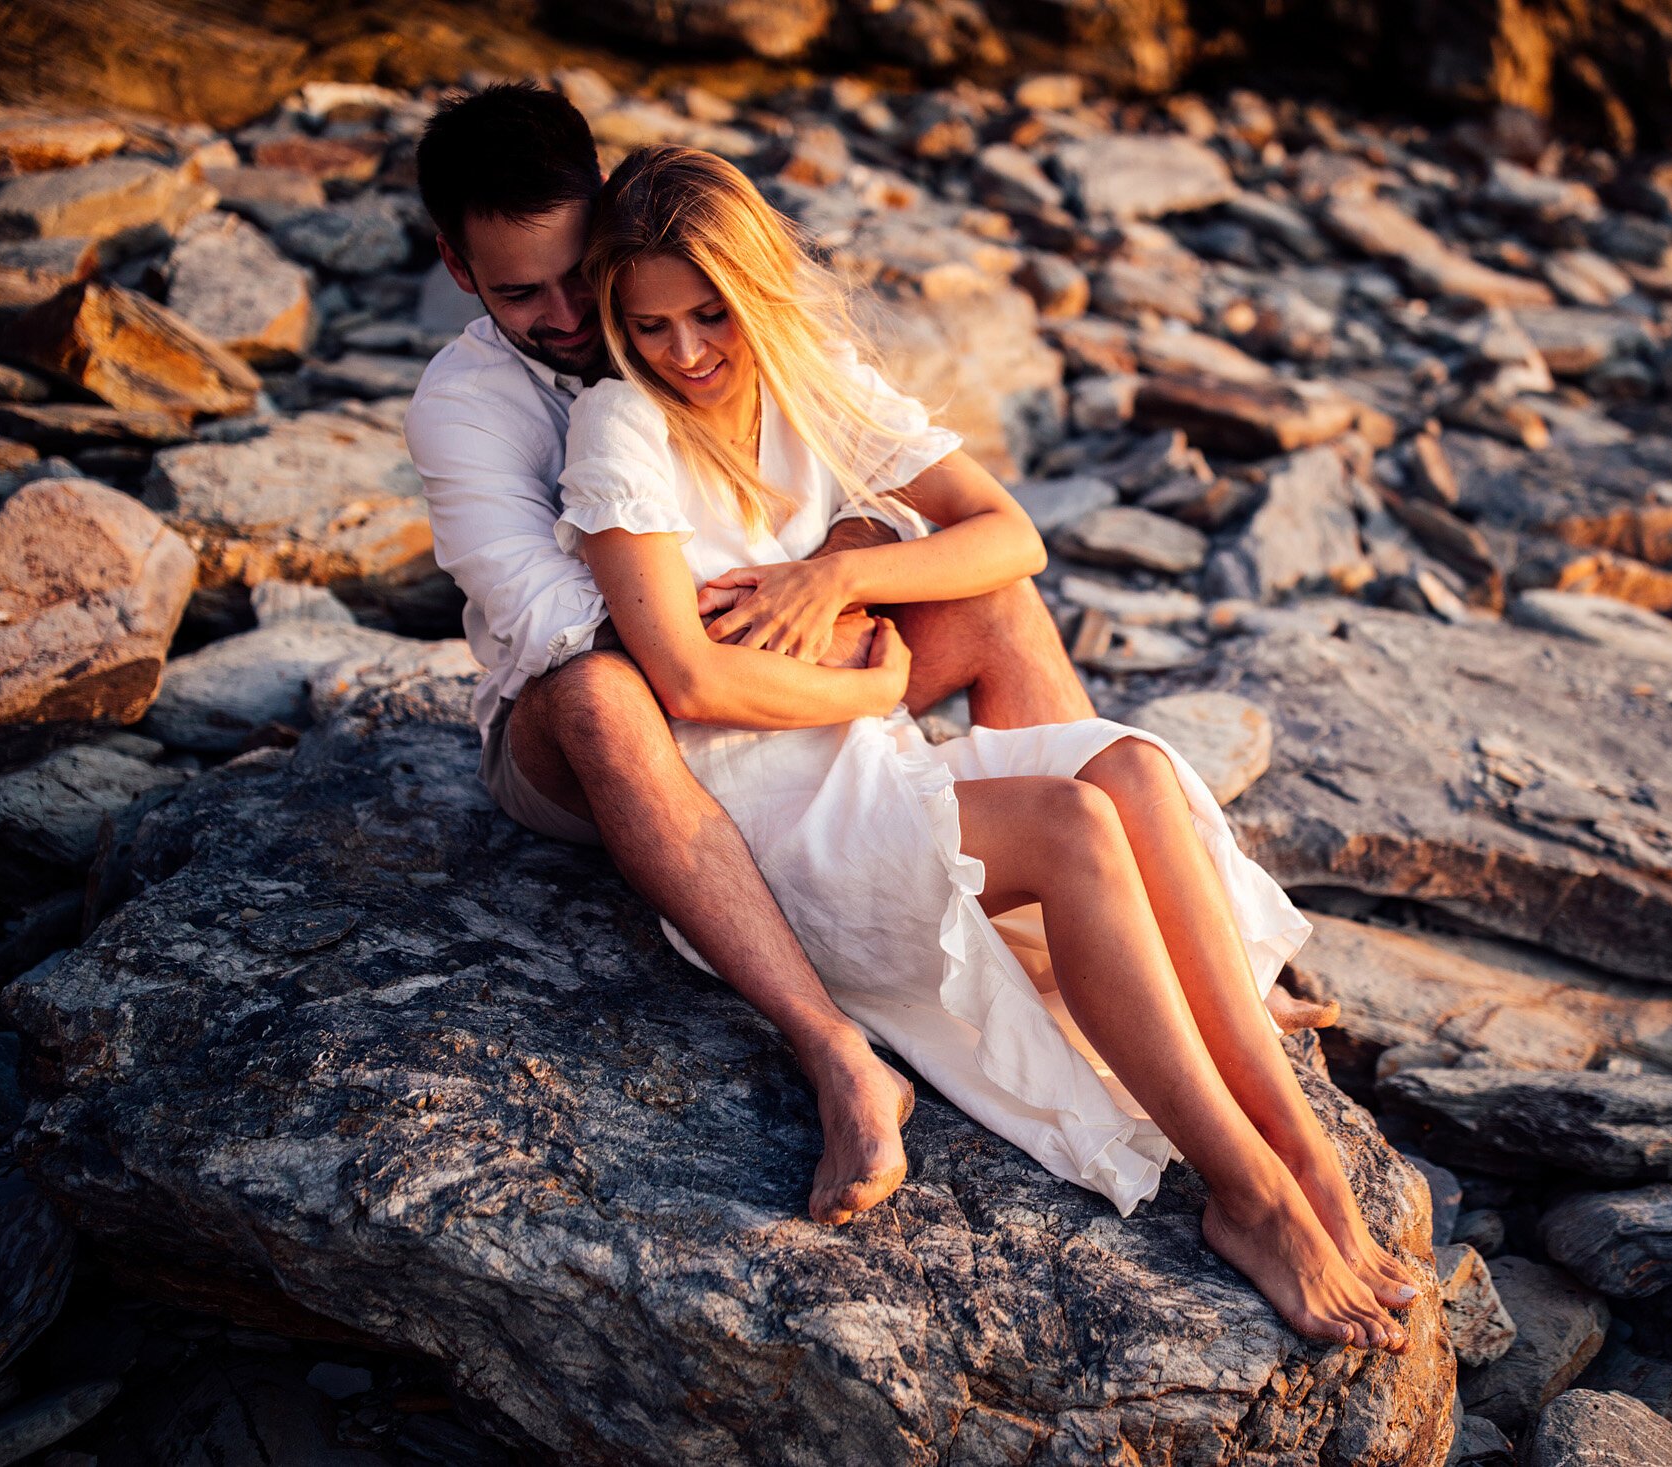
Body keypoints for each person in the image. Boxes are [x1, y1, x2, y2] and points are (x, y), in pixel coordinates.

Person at [554, 140, 1421, 1351]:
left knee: (1132, 770)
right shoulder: (619, 428)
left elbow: (1010, 539)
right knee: (1072, 821)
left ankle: (1306, 1152)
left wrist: (842, 570)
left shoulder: (810, 379)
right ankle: (1255, 1199)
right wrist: (876, 687)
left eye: (710, 314)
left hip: (874, 767)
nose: (685, 352)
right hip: (770, 821)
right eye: (646, 324)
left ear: (757, 293)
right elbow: (683, 677)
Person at [403, 83, 1094, 1232]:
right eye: (521, 293)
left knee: (996, 601)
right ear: (460, 270)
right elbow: (587, 632)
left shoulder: (718, 306)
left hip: (774, 669)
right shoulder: (466, 408)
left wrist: (841, 564)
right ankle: (838, 1059)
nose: (572, 315)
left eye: (583, 273)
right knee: (595, 690)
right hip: (599, 749)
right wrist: (858, 667)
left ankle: (1115, 935)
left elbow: (972, 518)